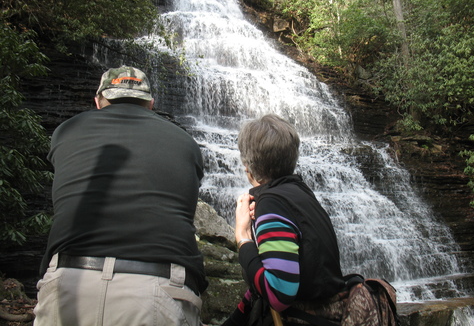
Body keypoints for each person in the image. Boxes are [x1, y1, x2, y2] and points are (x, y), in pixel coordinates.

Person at [34, 66, 208, 326]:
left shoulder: (65, 131)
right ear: (151, 103)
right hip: (158, 290)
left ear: (98, 102)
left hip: (68, 283)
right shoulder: (186, 143)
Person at [222, 114, 347, 326]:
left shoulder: (271, 203)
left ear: (247, 165)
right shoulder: (301, 193)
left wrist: (243, 237)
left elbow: (279, 295)